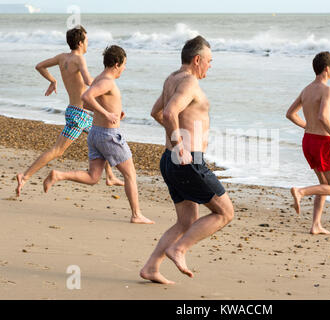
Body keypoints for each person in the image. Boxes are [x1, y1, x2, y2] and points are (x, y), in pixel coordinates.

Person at [140, 36, 234, 284]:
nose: (210, 66)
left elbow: (155, 112)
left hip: (170, 160)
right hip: (188, 161)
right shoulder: (190, 82)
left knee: (186, 220)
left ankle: (151, 267)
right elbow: (169, 113)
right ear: (197, 59)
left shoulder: (171, 79)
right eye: (209, 61)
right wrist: (181, 145)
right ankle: (179, 249)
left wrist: (175, 144)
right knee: (225, 213)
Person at [43, 45, 154, 225]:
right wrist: (108, 114)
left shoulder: (100, 79)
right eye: (124, 64)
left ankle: (58, 175)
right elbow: (86, 97)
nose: (125, 68)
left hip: (95, 133)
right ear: (117, 64)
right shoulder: (107, 81)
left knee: (93, 177)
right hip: (108, 135)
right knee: (130, 175)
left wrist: (113, 112)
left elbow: (87, 105)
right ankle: (136, 214)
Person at [15, 26, 123, 197]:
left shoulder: (61, 58)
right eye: (86, 40)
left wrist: (53, 80)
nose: (88, 44)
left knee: (103, 133)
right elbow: (89, 81)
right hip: (79, 114)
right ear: (80, 42)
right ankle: (25, 175)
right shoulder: (79, 59)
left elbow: (39, 66)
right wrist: (108, 81)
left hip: (74, 110)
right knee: (58, 150)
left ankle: (110, 175)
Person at [286, 51, 330, 235]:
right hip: (321, 142)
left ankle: (316, 225)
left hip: (308, 141)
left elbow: (290, 114)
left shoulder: (306, 89)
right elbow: (323, 117)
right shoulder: (328, 90)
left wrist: (308, 126)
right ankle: (301, 192)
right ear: (327, 68)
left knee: (323, 184)